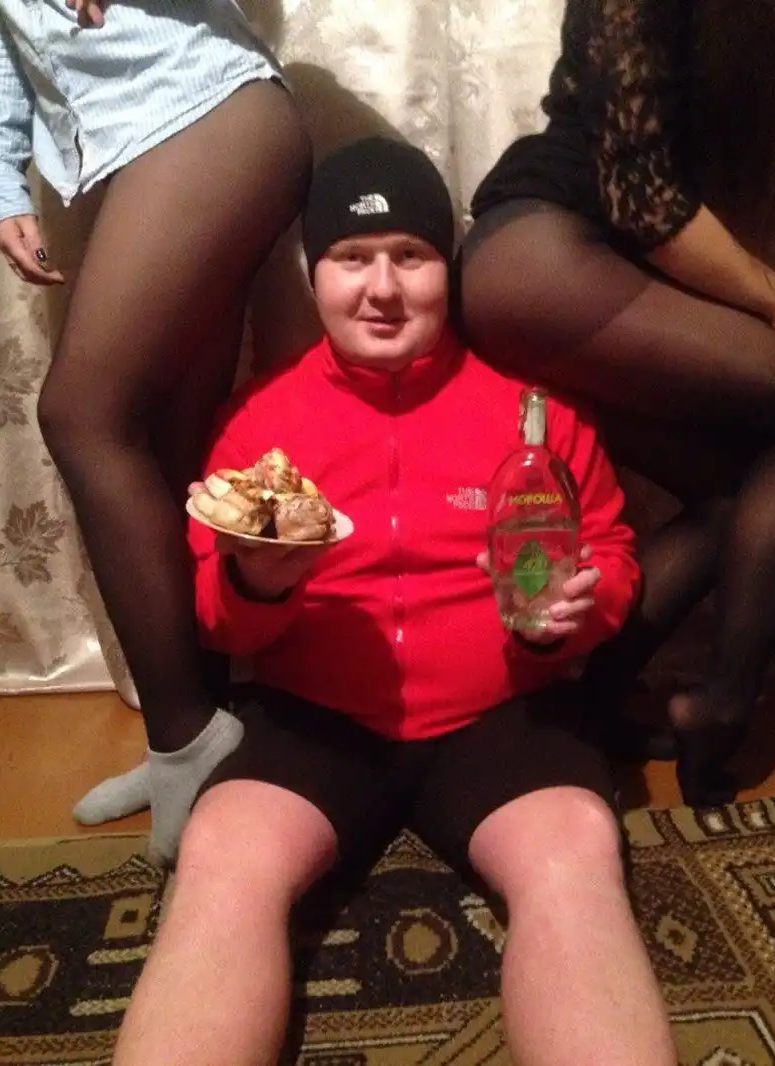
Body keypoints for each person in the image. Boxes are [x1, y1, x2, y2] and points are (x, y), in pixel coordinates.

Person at [111, 136, 676, 1066]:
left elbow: (610, 552)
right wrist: (258, 582)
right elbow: (216, 617)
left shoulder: (535, 413)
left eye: (410, 255)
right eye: (351, 258)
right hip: (317, 716)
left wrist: (585, 609)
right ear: (314, 276)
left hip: (502, 713)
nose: (382, 288)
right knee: (220, 854)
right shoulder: (259, 421)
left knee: (577, 853)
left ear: (446, 266)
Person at [0, 0, 312, 860]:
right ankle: (209, 732)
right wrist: (1, 185)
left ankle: (186, 740)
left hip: (210, 111)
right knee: (166, 447)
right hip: (136, 149)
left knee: (81, 417)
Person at [458, 0, 775, 806]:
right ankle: (722, 706)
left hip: (576, 271)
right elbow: (641, 198)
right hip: (537, 257)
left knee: (732, 493)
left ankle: (590, 704)